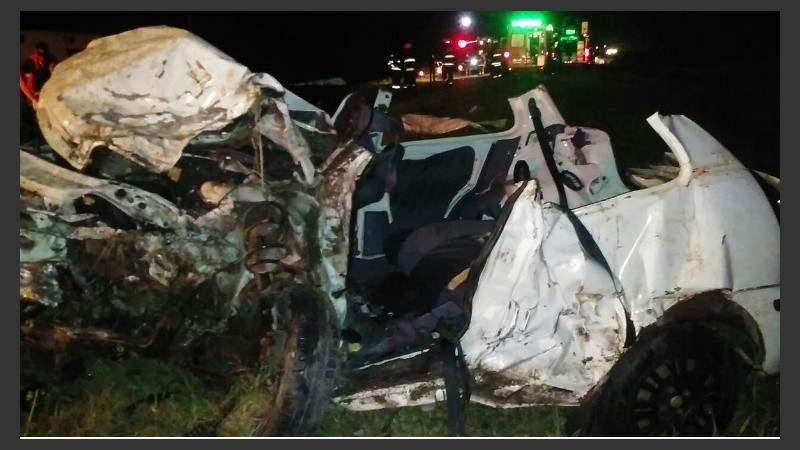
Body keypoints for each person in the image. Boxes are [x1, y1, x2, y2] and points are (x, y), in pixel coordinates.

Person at [20, 41, 58, 110]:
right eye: (40, 54)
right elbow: (23, 83)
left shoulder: (50, 59)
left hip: (49, 90)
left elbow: (54, 70)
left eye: (43, 54)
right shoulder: (30, 62)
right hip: (36, 94)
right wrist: (33, 98)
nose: (42, 57)